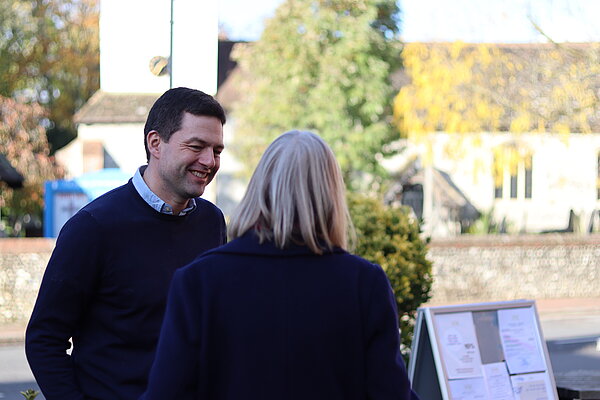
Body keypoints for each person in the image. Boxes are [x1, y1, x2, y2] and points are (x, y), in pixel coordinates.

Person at [141, 130, 420, 400]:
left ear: (260, 186)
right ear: (330, 193)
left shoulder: (199, 281)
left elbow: (168, 392)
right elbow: (389, 392)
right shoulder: (364, 283)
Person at [26, 87, 228, 400]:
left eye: (216, 150)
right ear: (155, 143)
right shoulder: (93, 227)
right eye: (196, 146)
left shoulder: (212, 222)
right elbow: (44, 338)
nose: (209, 161)